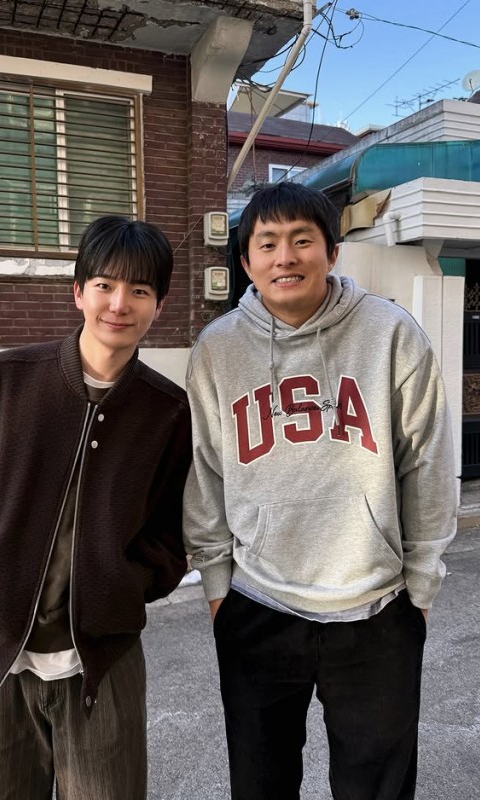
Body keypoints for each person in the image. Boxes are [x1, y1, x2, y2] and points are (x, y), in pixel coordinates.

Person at [0, 215, 192, 800]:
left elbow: (175, 525)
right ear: (78, 291)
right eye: (105, 285)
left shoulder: (166, 411)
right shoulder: (2, 382)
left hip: (102, 659)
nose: (120, 304)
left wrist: (127, 585)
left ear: (158, 305)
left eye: (139, 290)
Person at [183, 181, 457, 800]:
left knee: (376, 790)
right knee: (260, 785)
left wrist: (420, 585)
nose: (286, 257)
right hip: (258, 604)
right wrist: (218, 587)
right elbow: (204, 473)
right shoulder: (217, 349)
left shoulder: (391, 334)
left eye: (302, 240)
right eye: (267, 243)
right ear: (246, 261)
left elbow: (427, 465)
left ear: (332, 252)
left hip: (376, 609)